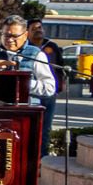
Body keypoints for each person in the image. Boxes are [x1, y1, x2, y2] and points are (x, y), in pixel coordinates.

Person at [29, 19, 65, 157]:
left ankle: (42, 158)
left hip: (49, 94)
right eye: (34, 28)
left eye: (40, 28)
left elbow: (61, 67)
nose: (38, 30)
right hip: (32, 94)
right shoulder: (27, 49)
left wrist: (59, 87)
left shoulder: (52, 46)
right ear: (27, 33)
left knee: (45, 128)